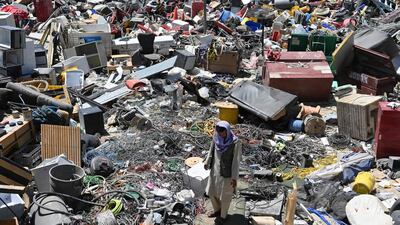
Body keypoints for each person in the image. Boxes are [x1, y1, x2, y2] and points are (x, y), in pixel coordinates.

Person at [204, 121, 242, 225]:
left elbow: (236, 161)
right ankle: (217, 210)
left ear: (228, 130)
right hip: (215, 170)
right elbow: (211, 150)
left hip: (227, 174)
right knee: (212, 192)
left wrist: (234, 178)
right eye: (218, 130)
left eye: (222, 130)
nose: (220, 133)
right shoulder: (216, 138)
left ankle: (223, 216)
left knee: (225, 196)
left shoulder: (235, 142)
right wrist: (207, 162)